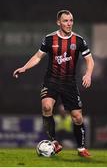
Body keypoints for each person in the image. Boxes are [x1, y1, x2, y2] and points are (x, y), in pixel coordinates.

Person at [13, 10, 94, 157]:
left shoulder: (79, 40)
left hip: (69, 83)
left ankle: (81, 149)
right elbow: (38, 56)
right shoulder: (50, 39)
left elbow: (89, 59)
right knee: (46, 107)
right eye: (65, 21)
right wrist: (24, 67)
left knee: (77, 117)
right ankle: (54, 142)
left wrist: (88, 74)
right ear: (58, 22)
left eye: (71, 20)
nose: (69, 24)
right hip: (51, 80)